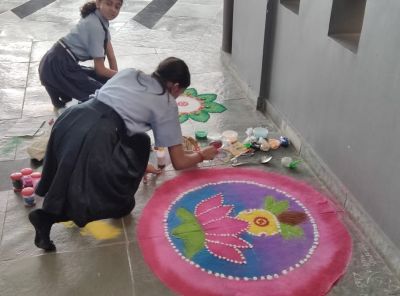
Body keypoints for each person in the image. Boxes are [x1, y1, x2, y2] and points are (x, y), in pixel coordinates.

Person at [28, 57, 219, 251]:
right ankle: (48, 217)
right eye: (180, 92)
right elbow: (179, 161)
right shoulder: (166, 103)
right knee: (114, 201)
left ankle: (48, 212)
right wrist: (203, 154)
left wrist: (143, 165)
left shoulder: (131, 73)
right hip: (96, 133)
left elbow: (123, 118)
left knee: (71, 170)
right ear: (176, 86)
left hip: (72, 118)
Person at [39, 0, 122, 108]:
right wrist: (122, 77)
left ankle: (59, 92)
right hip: (58, 66)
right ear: (98, 3)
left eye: (117, 6)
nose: (113, 9)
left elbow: (111, 56)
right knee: (105, 96)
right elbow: (100, 70)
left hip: (54, 61)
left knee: (107, 83)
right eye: (109, 3)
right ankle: (59, 89)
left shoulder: (98, 18)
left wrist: (116, 81)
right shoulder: (95, 26)